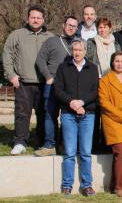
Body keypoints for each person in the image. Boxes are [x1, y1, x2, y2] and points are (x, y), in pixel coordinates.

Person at [3, 5, 54, 155]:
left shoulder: (50, 37)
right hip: (23, 82)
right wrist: (11, 75)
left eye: (39, 18)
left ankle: (42, 141)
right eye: (33, 17)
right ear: (28, 18)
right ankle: (20, 142)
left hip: (45, 83)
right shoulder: (17, 35)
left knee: (44, 113)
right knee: (22, 113)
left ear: (43, 20)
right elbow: (7, 56)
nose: (36, 20)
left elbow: (55, 59)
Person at [54, 39, 99, 196]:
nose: (77, 53)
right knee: (69, 152)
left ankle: (87, 185)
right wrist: (71, 102)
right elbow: (58, 90)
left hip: (88, 115)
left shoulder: (93, 68)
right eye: (75, 50)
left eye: (80, 50)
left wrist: (82, 102)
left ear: (85, 51)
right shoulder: (63, 67)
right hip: (68, 115)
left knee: (86, 152)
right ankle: (67, 185)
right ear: (71, 51)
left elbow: (95, 91)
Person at [34, 16, 78, 156]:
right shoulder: (51, 41)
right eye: (69, 24)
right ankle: (49, 144)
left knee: (68, 116)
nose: (71, 27)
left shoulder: (79, 44)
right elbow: (40, 60)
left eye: (74, 26)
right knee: (50, 114)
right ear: (63, 25)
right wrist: (47, 76)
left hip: (70, 86)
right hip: (52, 84)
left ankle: (65, 145)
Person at [98, 51, 122, 197]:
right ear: (112, 63)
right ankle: (119, 187)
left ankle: (112, 185)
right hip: (112, 121)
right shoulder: (105, 80)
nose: (119, 63)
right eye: (117, 61)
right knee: (121, 152)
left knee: (119, 154)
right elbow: (104, 103)